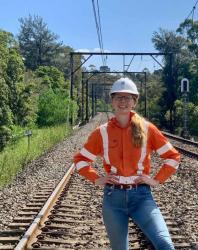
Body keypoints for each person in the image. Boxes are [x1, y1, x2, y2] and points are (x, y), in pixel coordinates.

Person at [73, 77, 180, 250]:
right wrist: (97, 178)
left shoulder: (148, 129)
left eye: (127, 97)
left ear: (134, 101)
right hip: (113, 200)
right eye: (118, 97)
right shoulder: (101, 132)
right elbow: (80, 160)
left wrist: (156, 180)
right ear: (112, 101)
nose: (123, 101)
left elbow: (173, 157)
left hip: (142, 197)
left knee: (165, 244)